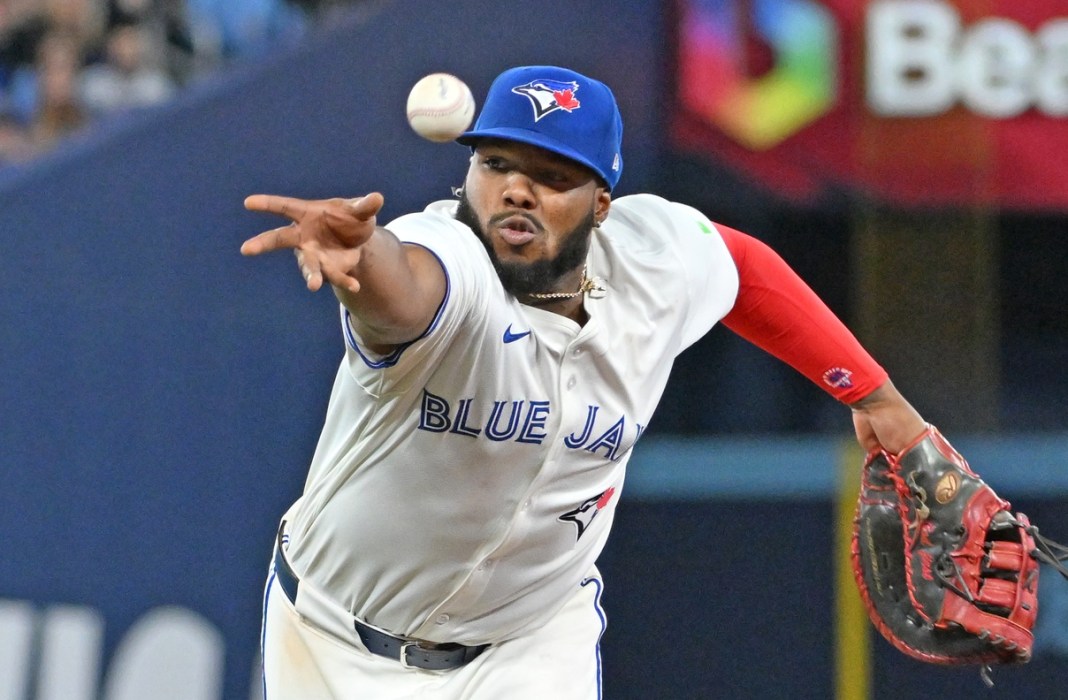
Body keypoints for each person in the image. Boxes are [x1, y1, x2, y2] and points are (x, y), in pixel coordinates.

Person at [241, 65, 927, 699]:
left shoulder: (652, 264)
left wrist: (874, 395)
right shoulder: (451, 257)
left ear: (601, 205)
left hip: (527, 643)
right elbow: (406, 289)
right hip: (335, 639)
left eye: (551, 175)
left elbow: (742, 268)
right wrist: (365, 255)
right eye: (497, 163)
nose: (515, 188)